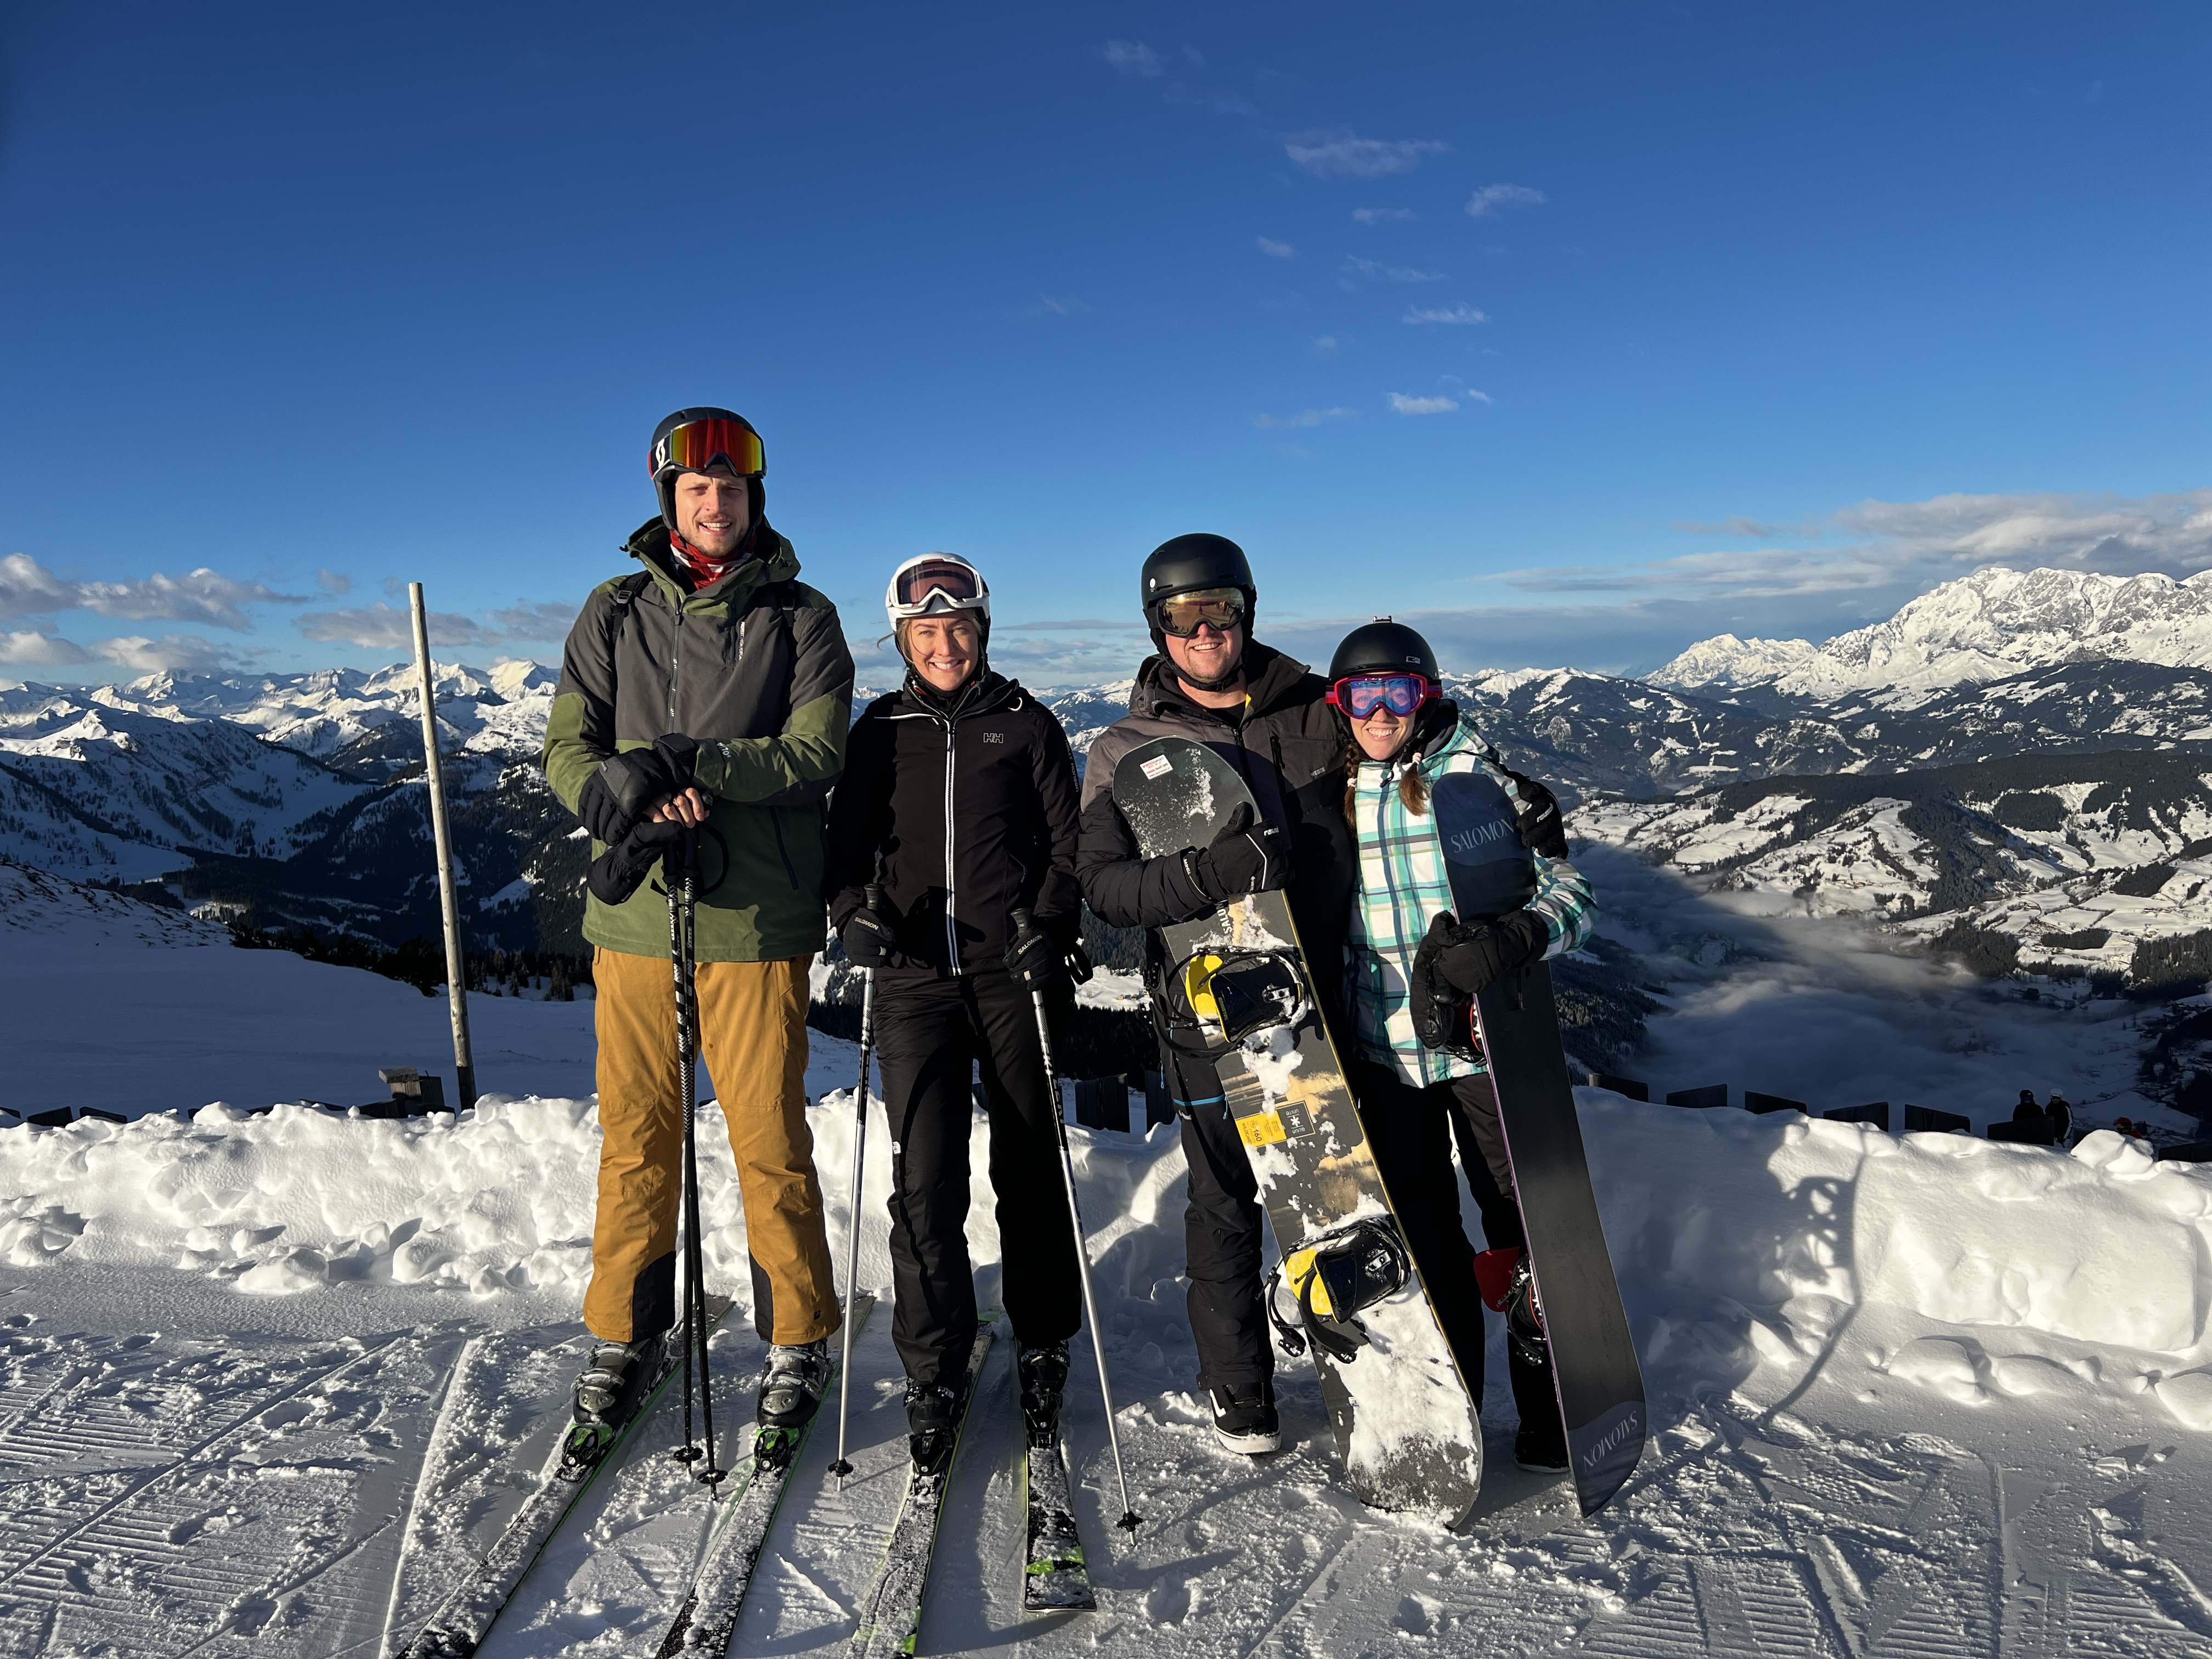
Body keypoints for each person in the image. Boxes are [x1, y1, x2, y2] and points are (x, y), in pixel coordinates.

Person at [543, 407, 855, 1432]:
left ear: (754, 496)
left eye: (731, 488)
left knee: (769, 1135)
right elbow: (567, 748)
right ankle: (624, 1329)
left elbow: (816, 753)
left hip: (757, 919)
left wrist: (697, 765)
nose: (715, 503)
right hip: (636, 913)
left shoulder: (802, 616)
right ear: (668, 498)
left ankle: (798, 1334)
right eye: (696, 489)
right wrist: (622, 792)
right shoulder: (614, 610)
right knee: (637, 1134)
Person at [1075, 533, 1359, 1454]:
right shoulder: (1125, 749)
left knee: (1341, 1189)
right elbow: (1104, 887)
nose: (1205, 632)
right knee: (1227, 1199)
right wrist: (1208, 875)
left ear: (1247, 613)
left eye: (1221, 611)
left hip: (1329, 996)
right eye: (1183, 616)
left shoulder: (1318, 711)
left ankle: (1367, 1360)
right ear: (1157, 627)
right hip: (1207, 1009)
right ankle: (1240, 1386)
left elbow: (1410, 757)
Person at [821, 553, 1090, 1468]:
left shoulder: (1027, 723)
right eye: (926, 631)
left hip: (1012, 974)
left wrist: (1050, 924)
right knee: (925, 1182)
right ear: (903, 640)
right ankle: (933, 1366)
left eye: (959, 627)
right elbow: (845, 851)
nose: (945, 645)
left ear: (983, 631)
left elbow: (1070, 847)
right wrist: (852, 914)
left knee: (1030, 1163)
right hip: (912, 982)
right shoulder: (879, 731)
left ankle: (1043, 1337)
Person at [1328, 619, 1597, 1473]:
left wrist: (1515, 938)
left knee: (1517, 1227)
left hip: (1483, 1052)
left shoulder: (1476, 785)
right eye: (1360, 696)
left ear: (1426, 697)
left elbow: (1574, 895)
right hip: (1387, 1055)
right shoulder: (1331, 794)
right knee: (1426, 1241)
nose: (1379, 712)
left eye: (1397, 693)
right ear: (1339, 706)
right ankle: (1455, 1412)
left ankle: (1548, 1404)